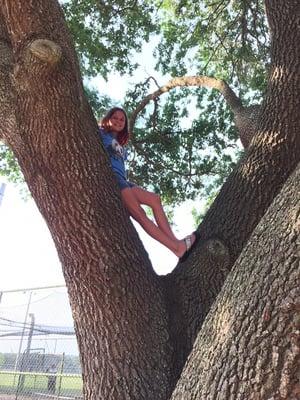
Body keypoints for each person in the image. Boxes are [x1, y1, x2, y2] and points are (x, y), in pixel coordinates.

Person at [99, 107, 198, 261]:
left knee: (154, 199)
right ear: (108, 119)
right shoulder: (100, 133)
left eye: (122, 120)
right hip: (113, 179)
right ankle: (177, 248)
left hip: (123, 179)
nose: (119, 121)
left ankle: (178, 245)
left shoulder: (120, 143)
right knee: (140, 213)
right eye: (115, 118)